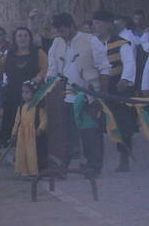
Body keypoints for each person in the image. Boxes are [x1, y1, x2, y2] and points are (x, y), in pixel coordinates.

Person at [46, 13, 110, 178]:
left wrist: (100, 94)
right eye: (59, 31)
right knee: (65, 135)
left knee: (90, 133)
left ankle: (93, 166)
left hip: (88, 96)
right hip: (64, 96)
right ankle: (62, 167)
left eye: (64, 30)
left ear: (71, 26)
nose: (62, 34)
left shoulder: (90, 40)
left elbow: (104, 68)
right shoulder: (56, 43)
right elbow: (52, 70)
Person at [91, 10, 138, 172]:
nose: (96, 26)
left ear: (109, 24)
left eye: (99, 23)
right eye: (94, 23)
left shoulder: (121, 43)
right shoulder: (93, 43)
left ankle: (124, 157)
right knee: (94, 125)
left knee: (122, 124)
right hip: (98, 89)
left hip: (117, 89)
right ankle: (95, 161)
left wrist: (125, 79)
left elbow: (129, 63)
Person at [0, 27, 48, 146]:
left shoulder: (38, 52)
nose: (23, 38)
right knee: (12, 117)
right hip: (13, 92)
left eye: (25, 35)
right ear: (15, 39)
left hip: (32, 92)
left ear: (30, 37)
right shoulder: (9, 54)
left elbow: (45, 68)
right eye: (20, 36)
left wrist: (38, 78)